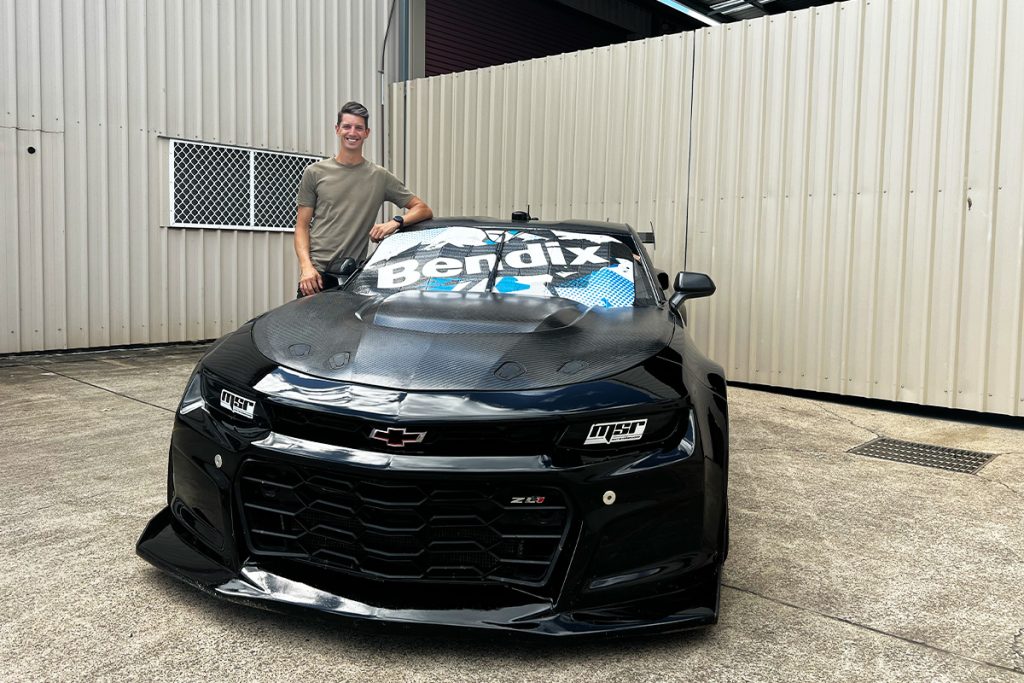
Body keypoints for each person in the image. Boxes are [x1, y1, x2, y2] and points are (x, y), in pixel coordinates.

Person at [294, 101, 432, 296]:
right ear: (337, 129)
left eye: (359, 128)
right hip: (315, 276)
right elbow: (301, 226)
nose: (352, 132)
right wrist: (306, 267)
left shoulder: (379, 177)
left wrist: (395, 222)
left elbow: (423, 209)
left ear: (367, 133)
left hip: (352, 278)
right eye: (347, 126)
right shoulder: (315, 172)